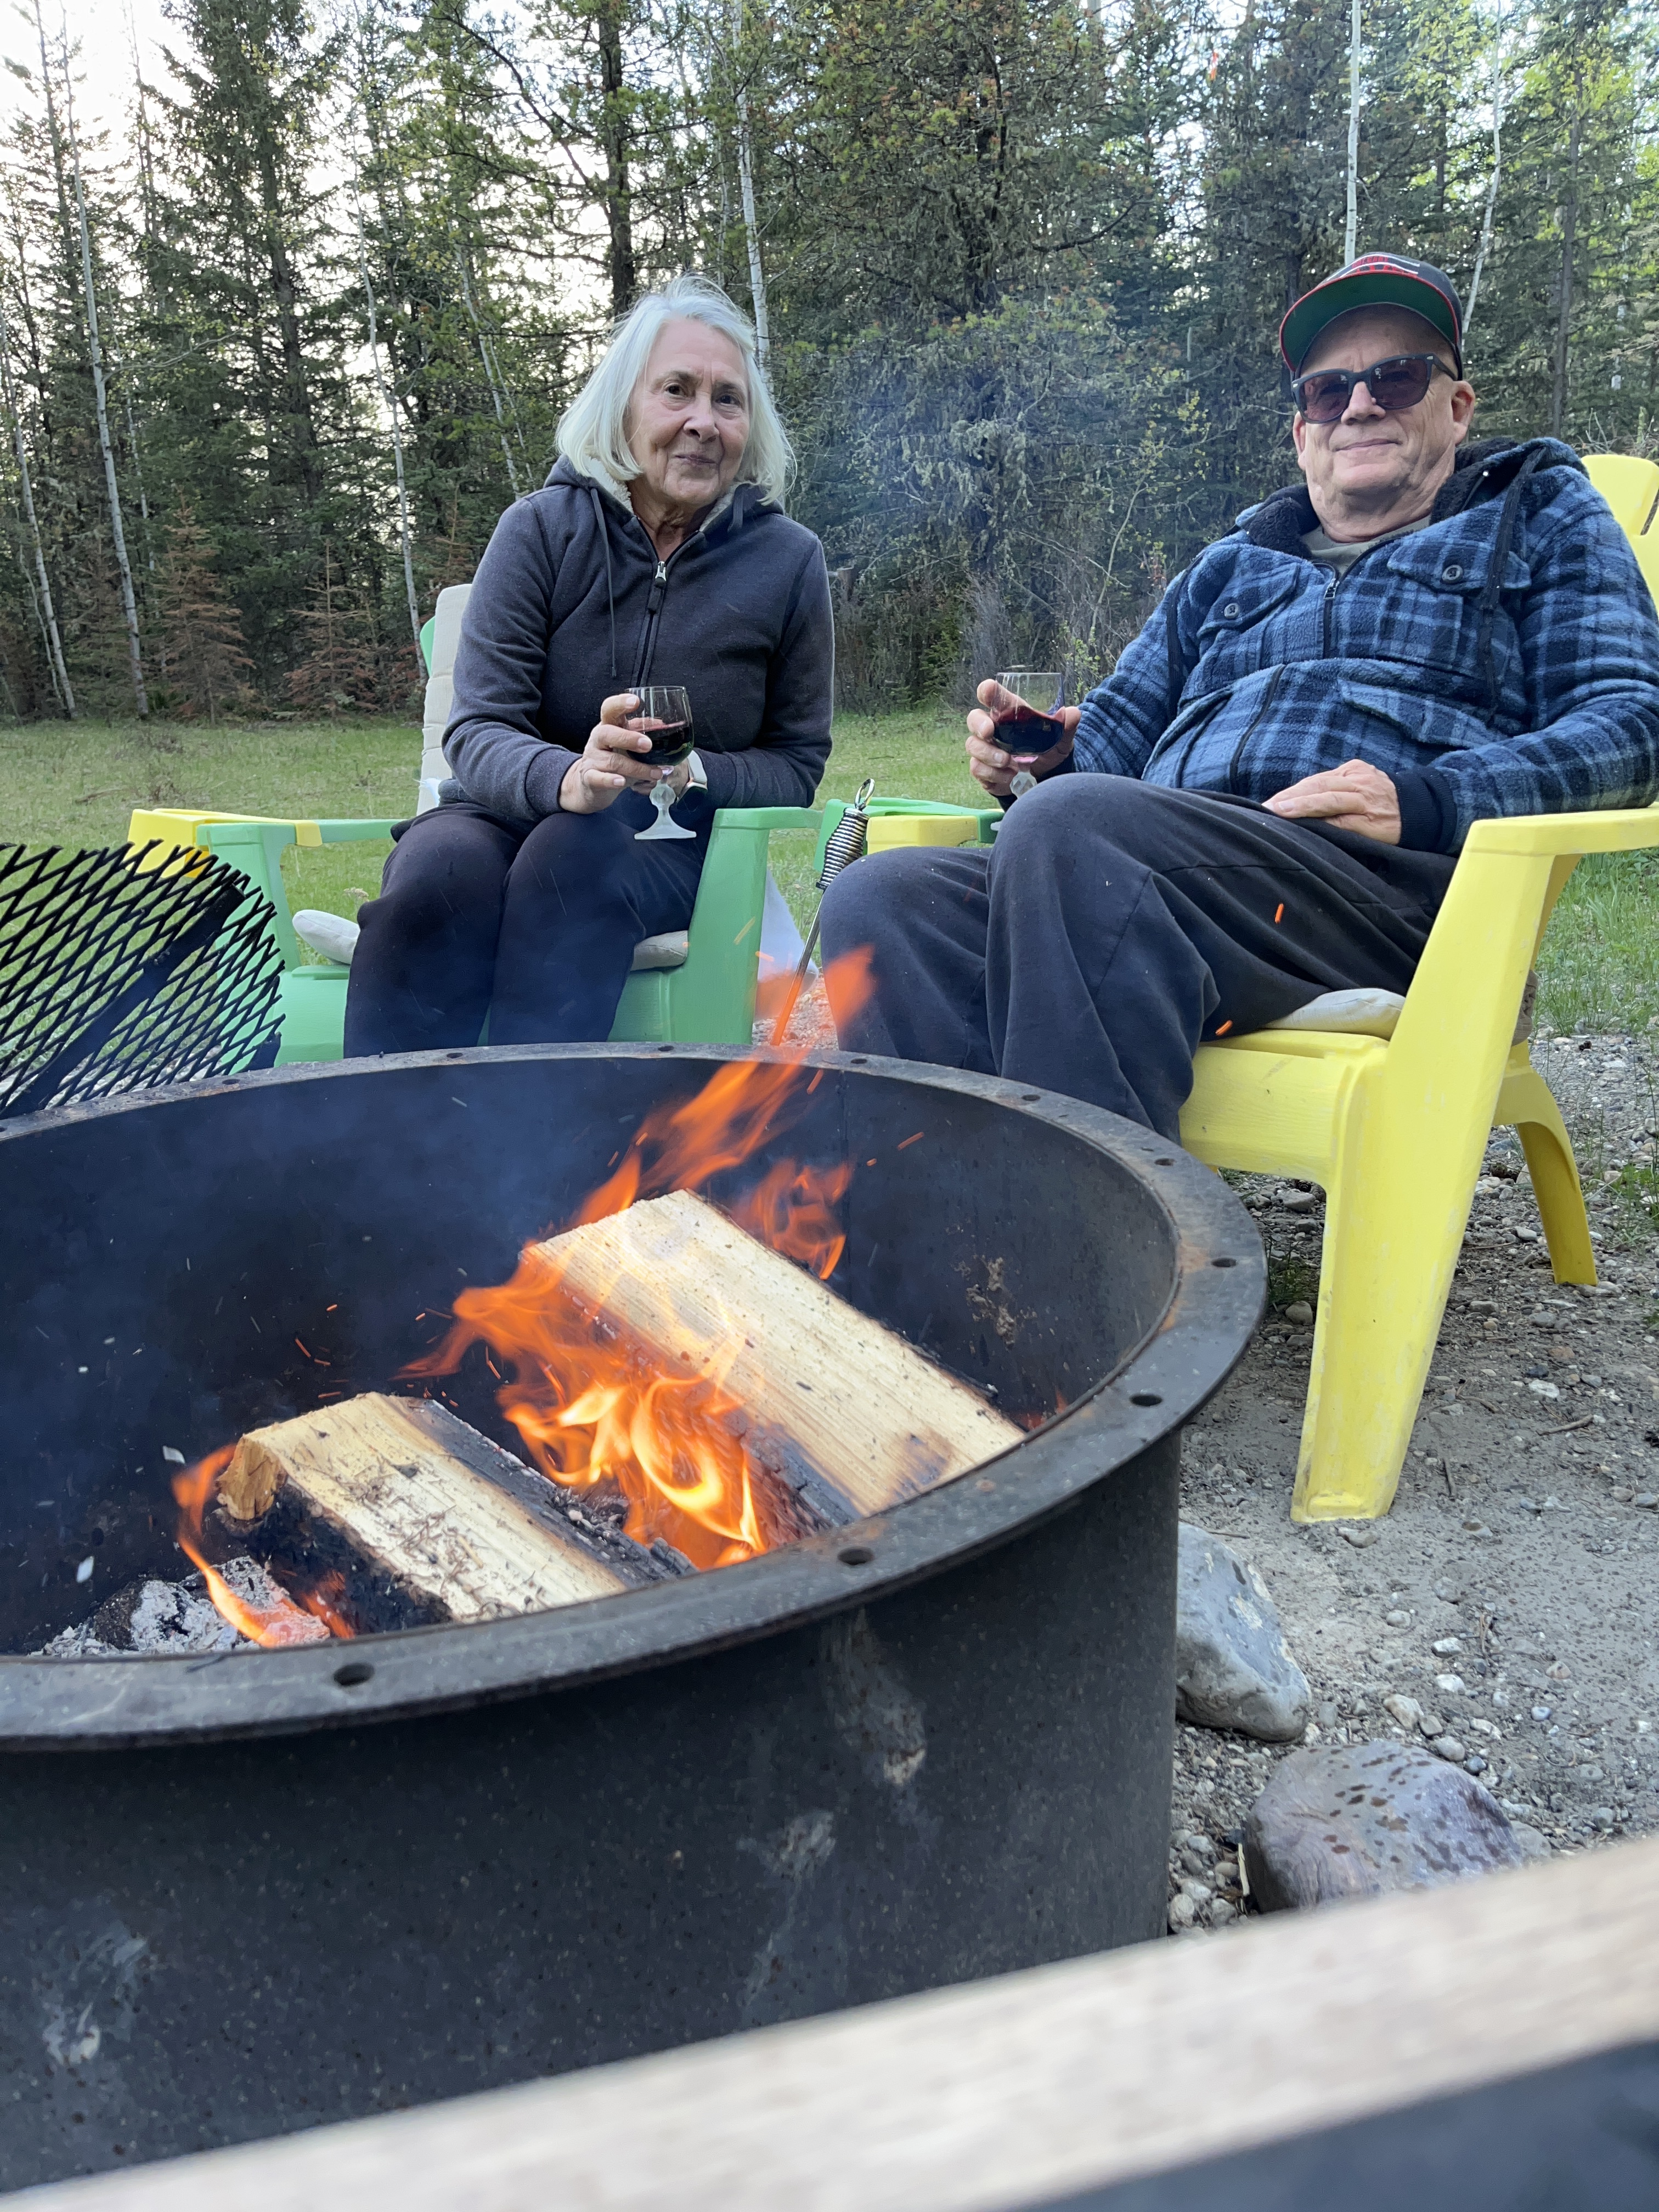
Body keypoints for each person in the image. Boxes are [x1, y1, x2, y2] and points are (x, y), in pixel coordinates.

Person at [822, 253, 1659, 1139]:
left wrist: (1425, 799)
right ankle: (946, 1210)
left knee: (1074, 830)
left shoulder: (1537, 515)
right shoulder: (1230, 564)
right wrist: (1044, 758)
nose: (1360, 406)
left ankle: (1087, 1221)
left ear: (1456, 408)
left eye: (1396, 379)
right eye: (1328, 392)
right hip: (1169, 877)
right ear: (1303, 434)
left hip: (1380, 893)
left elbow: (1632, 725)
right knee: (884, 900)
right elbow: (1108, 743)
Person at [346, 274, 833, 1054]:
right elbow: (478, 727)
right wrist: (569, 778)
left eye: (728, 400)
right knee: (437, 879)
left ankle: (537, 1126)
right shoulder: (540, 531)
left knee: (571, 860)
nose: (703, 422)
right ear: (624, 406)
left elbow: (797, 762)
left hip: (666, 841)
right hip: (496, 812)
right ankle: (381, 1124)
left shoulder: (788, 561)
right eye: (676, 390)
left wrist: (696, 773)